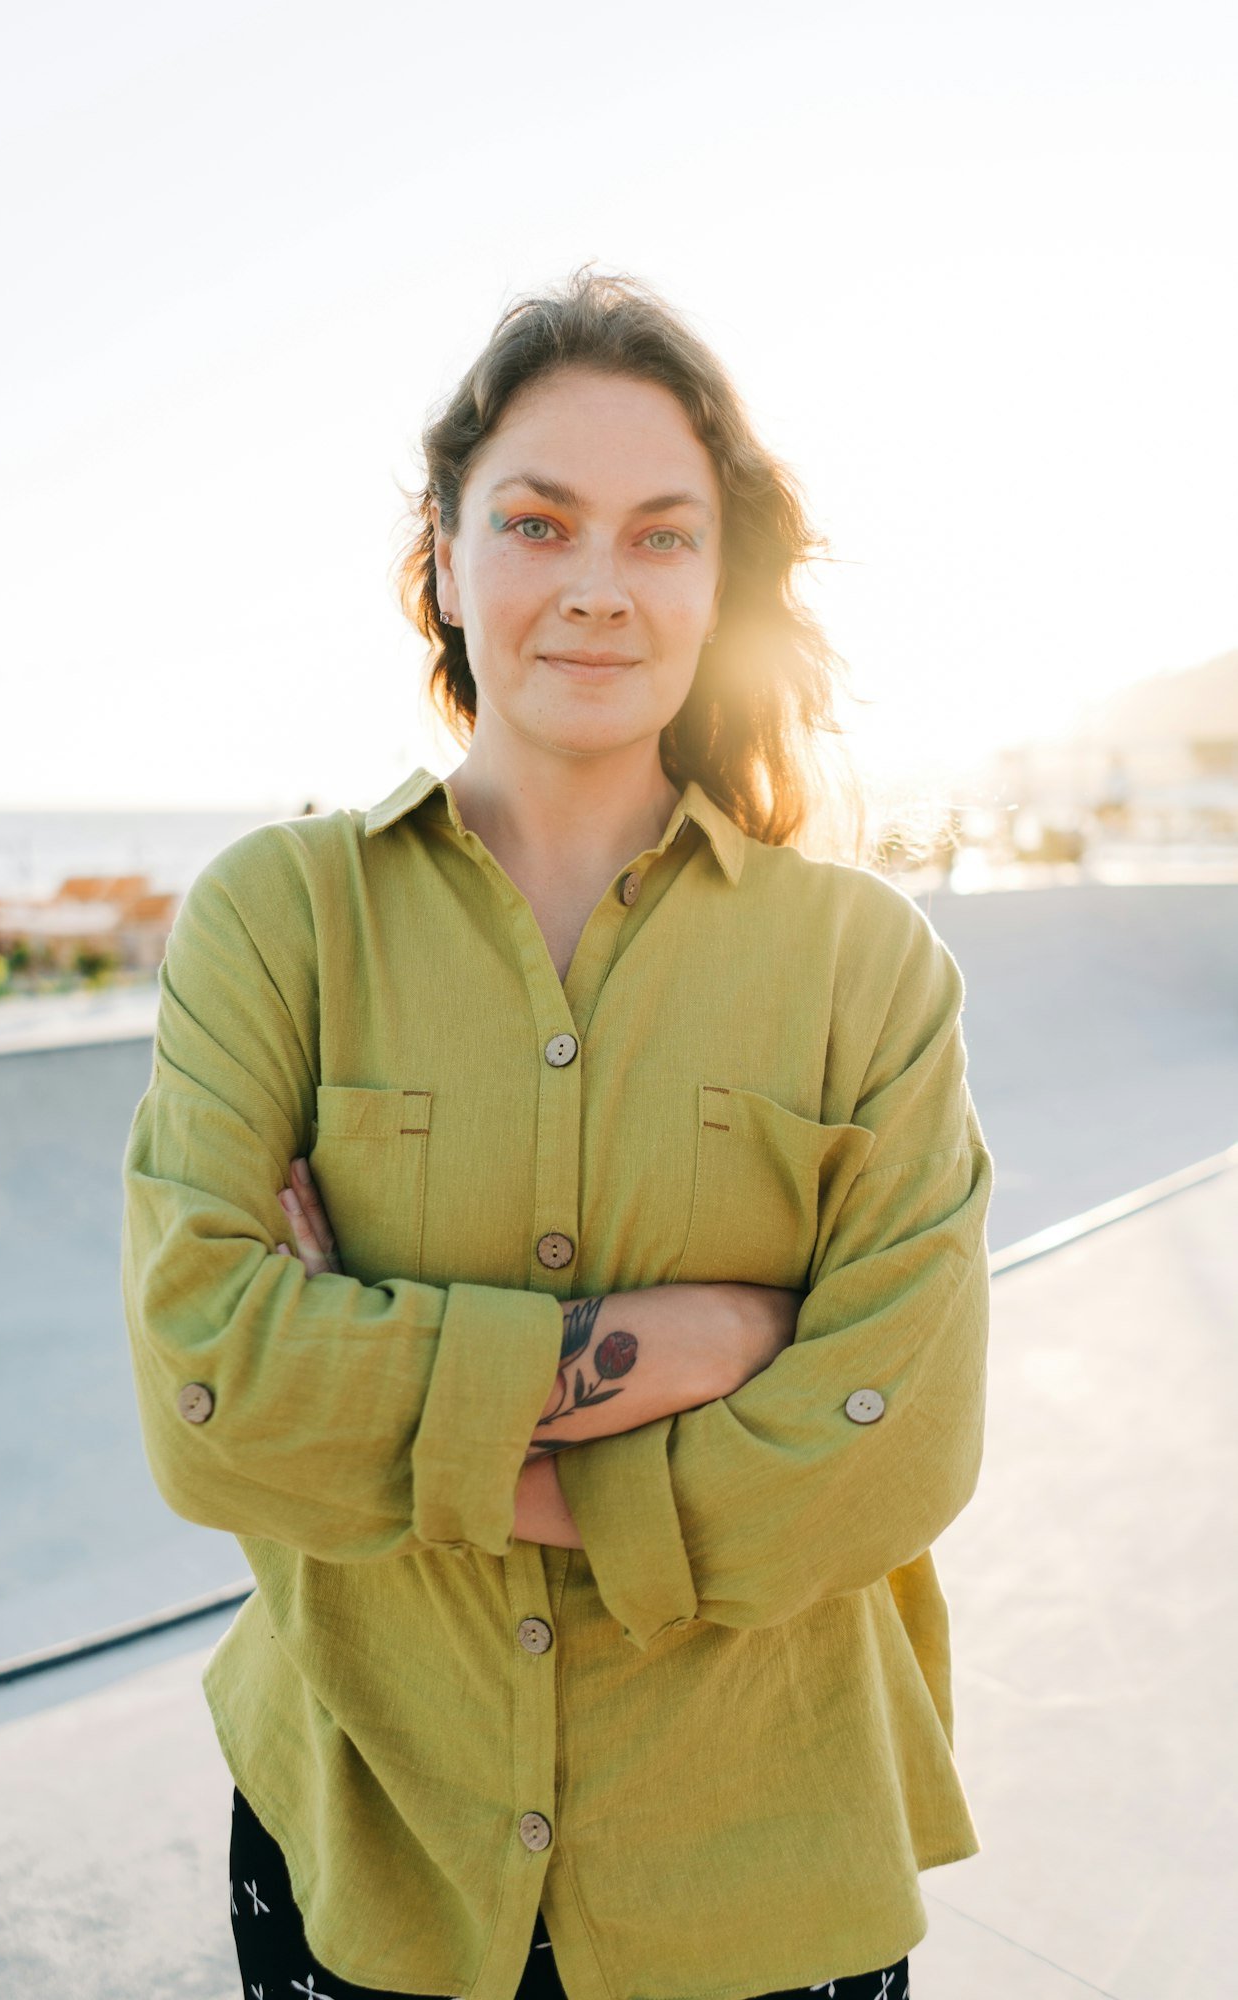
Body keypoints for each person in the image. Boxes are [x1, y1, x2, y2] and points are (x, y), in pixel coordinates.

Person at [122, 265, 993, 2000]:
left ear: (721, 580)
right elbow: (210, 1393)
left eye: (663, 536)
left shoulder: (863, 962)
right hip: (371, 1841)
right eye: (537, 521)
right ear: (444, 559)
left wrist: (405, 1418)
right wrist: (720, 1342)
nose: (597, 586)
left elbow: (899, 1451)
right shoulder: (276, 921)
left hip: (762, 1871)